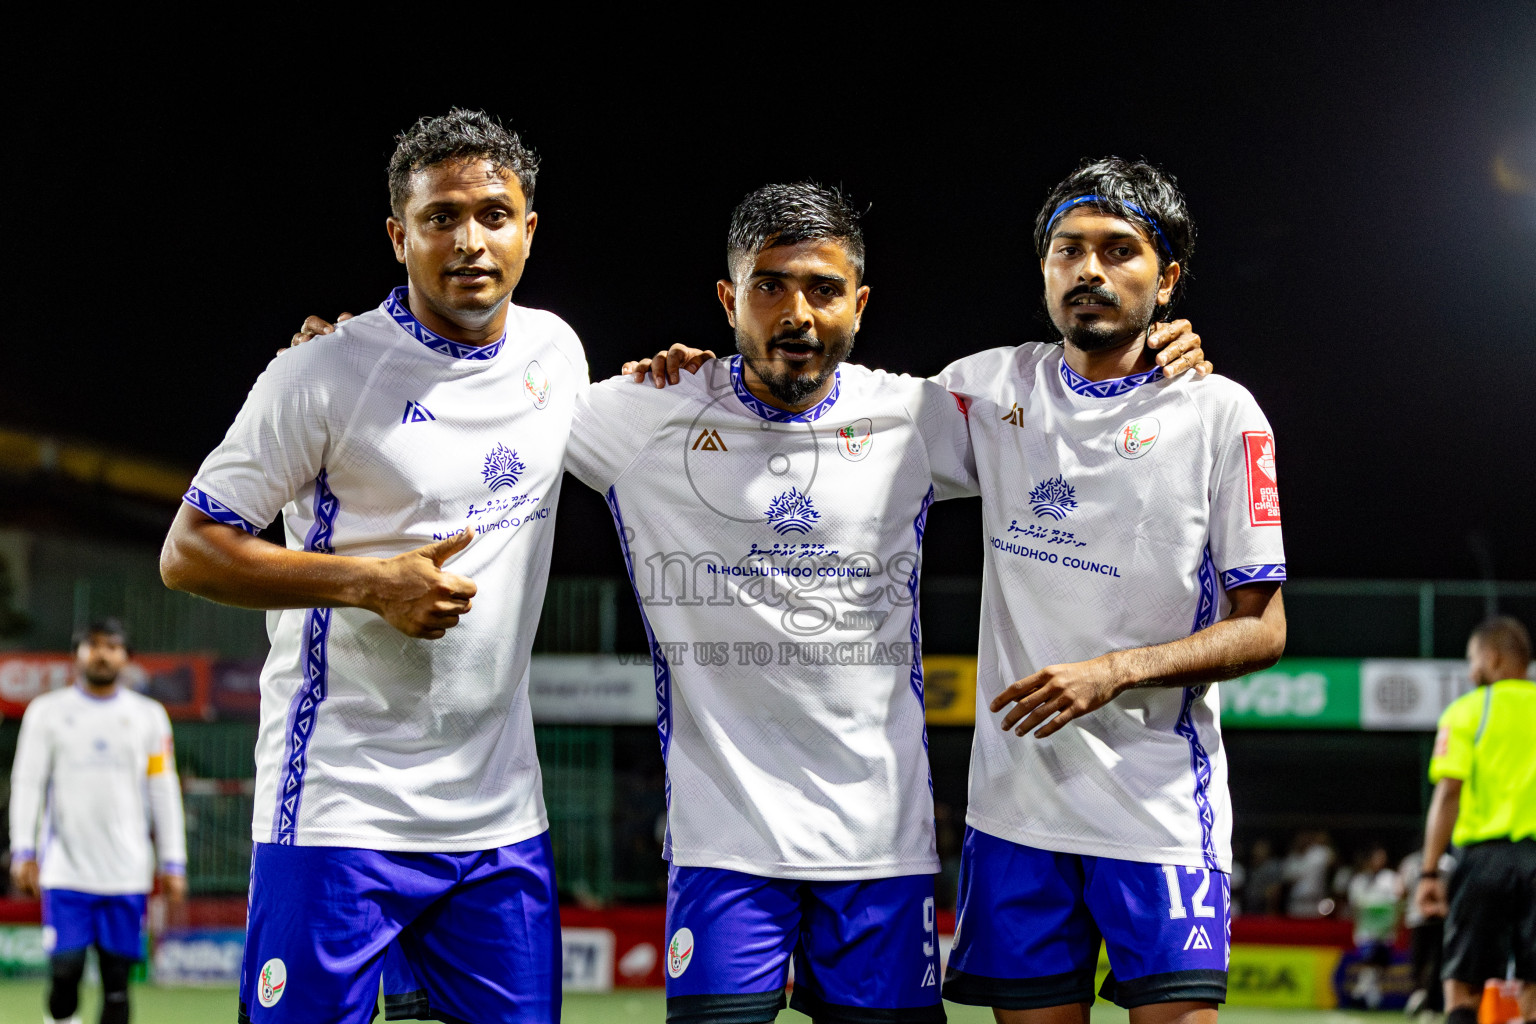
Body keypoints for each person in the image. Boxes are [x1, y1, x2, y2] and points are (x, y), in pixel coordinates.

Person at [160, 109, 585, 1024]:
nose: (470, 241)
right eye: (440, 218)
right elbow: (189, 550)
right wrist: (369, 583)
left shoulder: (560, 352)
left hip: (499, 816)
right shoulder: (321, 375)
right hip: (340, 807)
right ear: (399, 236)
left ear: (529, 231)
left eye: (493, 214)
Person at [933, 158, 1287, 1024]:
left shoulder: (1221, 414)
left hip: (1156, 808)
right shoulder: (984, 391)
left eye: (1119, 250)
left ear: (1165, 280)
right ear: (1046, 270)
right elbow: (834, 420)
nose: (1089, 269)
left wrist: (1114, 670)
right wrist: (701, 380)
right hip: (1017, 810)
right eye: (1068, 249)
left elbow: (1264, 629)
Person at [8, 619, 188, 1024]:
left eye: (112, 646)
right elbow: (28, 783)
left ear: (125, 657)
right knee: (65, 972)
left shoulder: (149, 717)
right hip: (66, 871)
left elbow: (163, 789)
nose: (102, 653)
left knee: (118, 987)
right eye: (93, 645)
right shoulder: (47, 713)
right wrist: (24, 849)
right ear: (77, 654)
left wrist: (173, 861)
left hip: (127, 873)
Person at [1416, 616, 1536, 1024]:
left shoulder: (1468, 710)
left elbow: (1448, 793)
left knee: (1462, 985)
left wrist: (1429, 873)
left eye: (1473, 660)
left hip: (1485, 861)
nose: (1471, 671)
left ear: (1493, 657)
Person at [1347, 845, 1403, 1009]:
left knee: (1379, 966)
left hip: (1386, 931)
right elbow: (1355, 906)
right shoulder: (1359, 880)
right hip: (1366, 931)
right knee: (1369, 961)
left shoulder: (1390, 878)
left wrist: (1395, 926)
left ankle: (1363, 994)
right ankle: (1368, 998)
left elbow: (1397, 902)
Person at [1401, 846, 1454, 1016]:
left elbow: (1401, 890)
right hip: (1440, 918)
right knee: (1437, 964)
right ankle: (1430, 1004)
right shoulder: (1448, 863)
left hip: (1419, 917)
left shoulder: (1410, 862)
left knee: (1419, 961)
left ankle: (1420, 992)